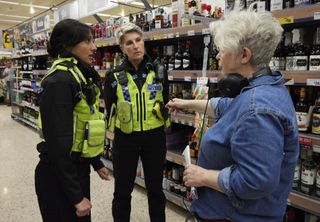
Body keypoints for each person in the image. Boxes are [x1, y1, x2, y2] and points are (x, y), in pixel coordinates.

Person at [166, 10, 299, 222]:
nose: (217, 56)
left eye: (221, 50)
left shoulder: (257, 110)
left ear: (244, 55)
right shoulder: (260, 89)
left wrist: (204, 176)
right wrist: (187, 104)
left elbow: (255, 180)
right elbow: (230, 107)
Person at [35, 19, 110, 222]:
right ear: (67, 45)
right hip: (58, 177)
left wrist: (95, 162)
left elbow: (81, 126)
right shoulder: (59, 81)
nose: (94, 47)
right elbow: (58, 144)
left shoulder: (77, 76)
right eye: (87, 41)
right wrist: (76, 197)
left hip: (75, 169)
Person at [104, 23, 170, 222]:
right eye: (129, 43)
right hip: (126, 139)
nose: (135, 46)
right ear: (122, 48)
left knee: (156, 190)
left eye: (139, 40)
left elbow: (164, 100)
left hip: (154, 137)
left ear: (144, 42)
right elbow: (110, 109)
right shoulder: (113, 76)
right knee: (122, 191)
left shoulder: (159, 71)